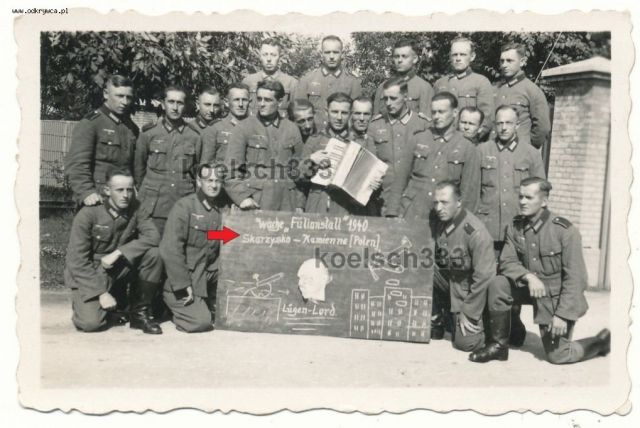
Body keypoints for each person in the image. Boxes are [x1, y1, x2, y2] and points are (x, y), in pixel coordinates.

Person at [469, 177, 611, 364]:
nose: (522, 202)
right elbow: (507, 261)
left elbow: (577, 279)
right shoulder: (515, 226)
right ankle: (499, 346)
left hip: (554, 297)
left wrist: (562, 315)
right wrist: (528, 276)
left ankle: (601, 342)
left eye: (529, 197)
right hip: (529, 287)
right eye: (521, 196)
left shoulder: (565, 231)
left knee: (559, 355)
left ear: (544, 201)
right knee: (498, 284)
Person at [475, 105, 546, 346]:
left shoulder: (531, 154)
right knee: (488, 279)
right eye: (499, 123)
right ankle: (492, 330)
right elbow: (473, 191)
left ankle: (513, 323)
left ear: (517, 125)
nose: (503, 128)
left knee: (512, 280)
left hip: (517, 232)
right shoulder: (482, 150)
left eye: (508, 123)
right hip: (488, 229)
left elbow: (539, 193)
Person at [65, 168, 163, 334]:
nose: (126, 195)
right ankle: (93, 304)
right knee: (90, 323)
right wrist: (101, 293)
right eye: (119, 190)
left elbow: (153, 237)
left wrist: (120, 252)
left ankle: (139, 314)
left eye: (129, 190)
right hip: (92, 272)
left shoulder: (136, 208)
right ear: (107, 190)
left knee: (154, 254)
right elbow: (77, 261)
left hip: (118, 265)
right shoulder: (89, 213)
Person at [160, 164, 227, 333]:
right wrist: (182, 283)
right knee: (201, 322)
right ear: (198, 182)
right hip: (186, 278)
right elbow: (171, 249)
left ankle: (205, 303)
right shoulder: (185, 206)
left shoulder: (222, 209)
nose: (214, 185)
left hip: (208, 274)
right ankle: (168, 304)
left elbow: (216, 239)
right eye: (209, 180)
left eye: (218, 181)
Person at [429, 181, 496, 351]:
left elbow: (484, 277)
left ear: (458, 202)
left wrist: (469, 311)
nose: (438, 208)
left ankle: (491, 328)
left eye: (444, 202)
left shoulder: (475, 232)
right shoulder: (441, 221)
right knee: (423, 267)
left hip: (468, 293)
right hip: (451, 284)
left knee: (466, 343)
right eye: (436, 202)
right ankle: (437, 318)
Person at [224, 80, 304, 212]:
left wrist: (299, 204)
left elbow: (299, 171)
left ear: (279, 102)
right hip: (256, 202)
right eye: (259, 99)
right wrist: (243, 198)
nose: (261, 104)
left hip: (286, 203)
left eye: (267, 100)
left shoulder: (292, 129)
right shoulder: (244, 128)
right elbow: (231, 170)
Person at [400, 92, 480, 219]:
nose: (436, 116)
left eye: (441, 112)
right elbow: (400, 179)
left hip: (444, 217)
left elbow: (469, 193)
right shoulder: (418, 139)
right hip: (414, 211)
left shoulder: (467, 147)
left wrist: (460, 223)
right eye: (433, 112)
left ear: (455, 113)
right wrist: (392, 212)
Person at [134, 85, 202, 235]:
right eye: (171, 102)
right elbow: (139, 169)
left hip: (182, 202)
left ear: (185, 106)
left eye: (180, 103)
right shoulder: (149, 133)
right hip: (153, 205)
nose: (175, 107)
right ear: (163, 104)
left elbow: (197, 173)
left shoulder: (194, 136)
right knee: (151, 244)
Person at [65, 75, 138, 206]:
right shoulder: (91, 123)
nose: (125, 102)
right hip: (97, 198)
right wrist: (86, 192)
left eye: (129, 97)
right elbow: (77, 164)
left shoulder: (131, 128)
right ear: (105, 94)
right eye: (119, 96)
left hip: (123, 199)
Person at [298, 92, 375, 215]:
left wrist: (372, 182)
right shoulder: (315, 140)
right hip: (317, 205)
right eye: (334, 112)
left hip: (346, 208)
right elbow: (297, 176)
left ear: (350, 114)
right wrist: (311, 160)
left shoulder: (361, 142)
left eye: (344, 113)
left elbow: (370, 180)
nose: (339, 117)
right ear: (326, 112)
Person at [367, 76, 430, 218]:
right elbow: (371, 163)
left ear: (406, 97)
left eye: (393, 98)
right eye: (385, 99)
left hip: (415, 202)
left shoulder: (423, 124)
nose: (388, 103)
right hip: (384, 200)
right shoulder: (375, 125)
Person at [295, 35, 362, 131]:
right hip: (314, 135)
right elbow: (299, 113)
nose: (331, 57)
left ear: (342, 54)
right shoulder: (307, 80)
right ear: (321, 54)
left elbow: (356, 115)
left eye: (335, 52)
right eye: (327, 52)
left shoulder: (353, 82)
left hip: (341, 136)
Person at [434, 37, 494, 142]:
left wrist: (470, 140)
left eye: (462, 54)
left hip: (469, 143)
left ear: (472, 56)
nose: (458, 58)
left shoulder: (481, 82)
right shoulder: (440, 83)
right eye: (454, 54)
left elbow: (486, 119)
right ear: (450, 56)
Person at [495, 42, 551, 149]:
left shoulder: (532, 90)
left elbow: (542, 128)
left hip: (519, 152)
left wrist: (527, 148)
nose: (504, 65)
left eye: (509, 61)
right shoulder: (496, 89)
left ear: (522, 62)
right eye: (502, 61)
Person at [373, 38, 434, 118]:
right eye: (396, 56)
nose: (399, 60)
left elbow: (426, 122)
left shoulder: (424, 87)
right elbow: (375, 120)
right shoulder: (382, 87)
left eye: (404, 56)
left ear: (415, 59)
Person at [243, 38, 298, 118]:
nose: (269, 59)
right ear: (260, 56)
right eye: (265, 54)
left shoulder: (291, 83)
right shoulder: (248, 81)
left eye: (273, 55)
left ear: (280, 57)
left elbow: (296, 114)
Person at [201, 82, 251, 165]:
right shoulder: (215, 128)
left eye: (244, 100)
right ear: (227, 102)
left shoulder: (256, 129)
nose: (241, 104)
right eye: (236, 100)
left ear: (249, 102)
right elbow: (206, 165)